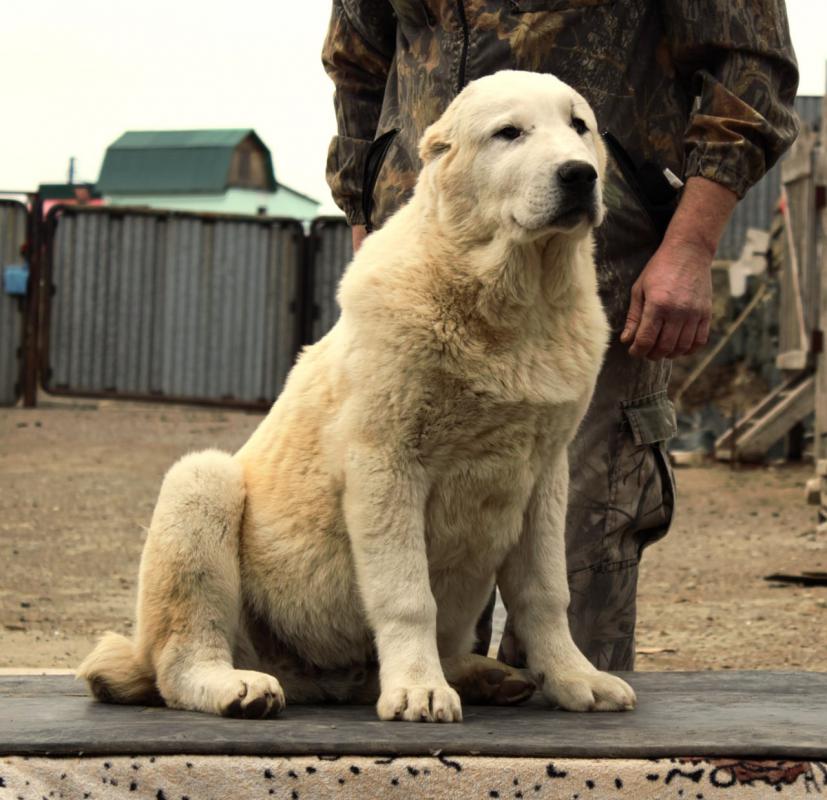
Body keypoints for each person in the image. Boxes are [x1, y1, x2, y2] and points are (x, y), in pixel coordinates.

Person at [321, 0, 799, 670]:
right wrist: (365, 218)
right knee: (395, 616)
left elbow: (751, 65)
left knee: (573, 582)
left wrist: (690, 245)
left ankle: (573, 769)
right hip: (428, 266)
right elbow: (358, 62)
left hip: (596, 270)